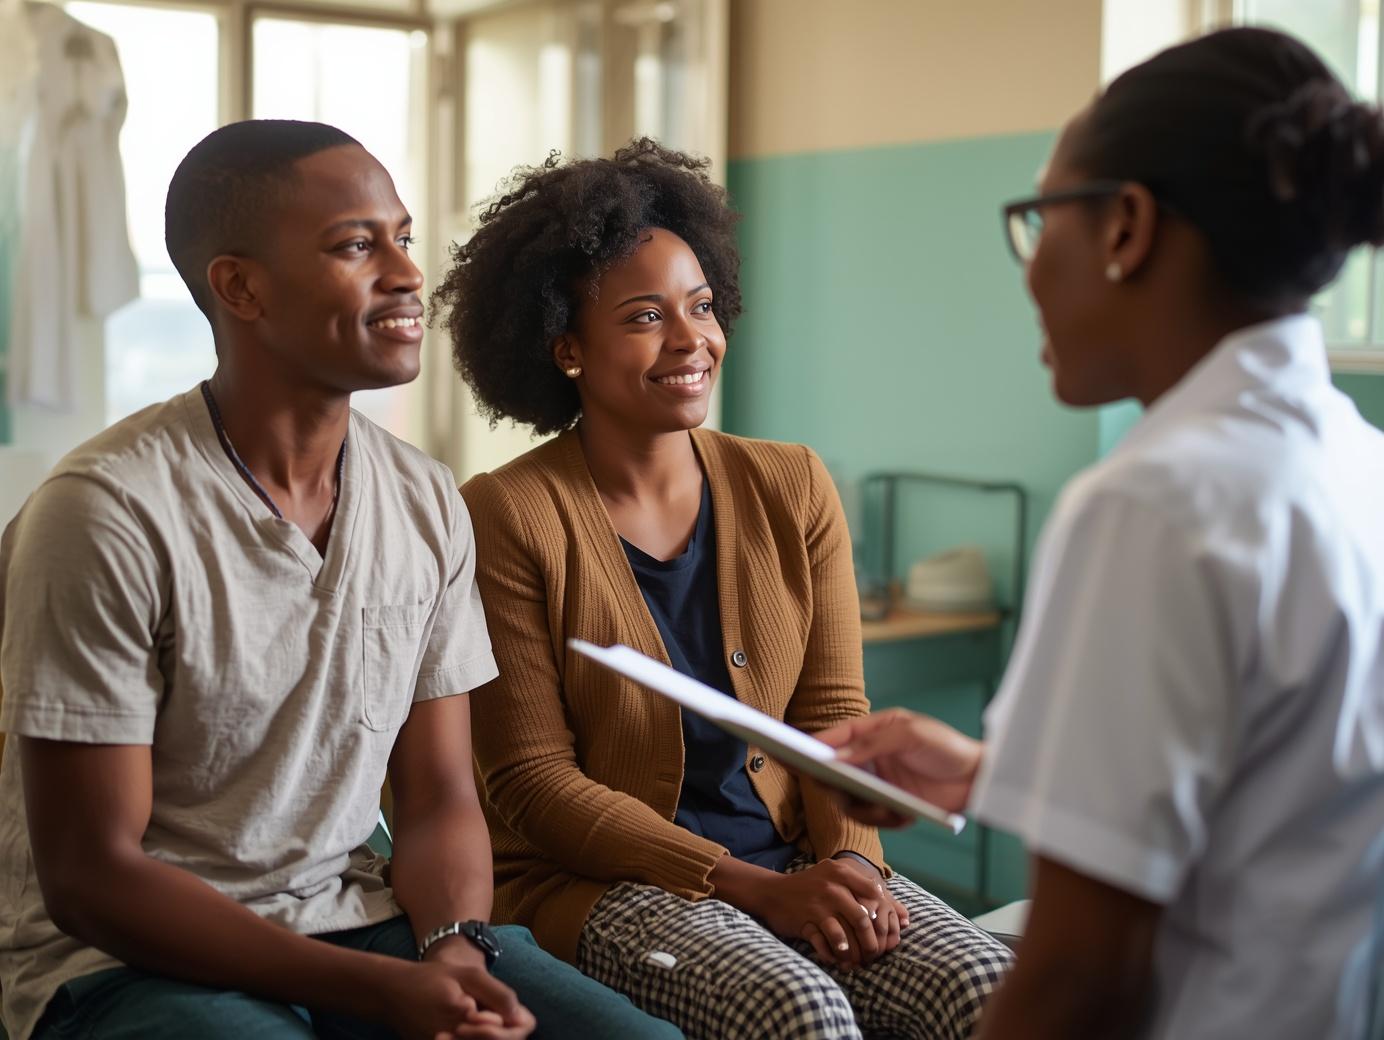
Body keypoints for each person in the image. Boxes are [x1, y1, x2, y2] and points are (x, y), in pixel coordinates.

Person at [0, 119, 682, 1040]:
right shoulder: (105, 513)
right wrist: (376, 994)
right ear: (239, 286)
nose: (406, 274)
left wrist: (449, 948)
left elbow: (440, 797)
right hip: (130, 965)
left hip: (360, 921)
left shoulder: (425, 500)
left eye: (400, 237)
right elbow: (94, 880)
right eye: (355, 246)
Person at [818, 27, 1384, 1040]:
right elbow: (1279, 800)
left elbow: (1079, 978)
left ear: (1125, 226)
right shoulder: (1355, 465)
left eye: (1041, 219)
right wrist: (1004, 771)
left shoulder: (1151, 501)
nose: (1031, 271)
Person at [434, 138, 1012, 1040]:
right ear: (566, 348)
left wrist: (854, 865)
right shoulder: (505, 516)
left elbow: (832, 712)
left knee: (999, 989)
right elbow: (535, 785)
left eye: (701, 307)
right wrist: (758, 891)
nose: (691, 340)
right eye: (643, 317)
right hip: (602, 885)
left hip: (795, 856)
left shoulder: (792, 483)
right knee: (801, 1011)